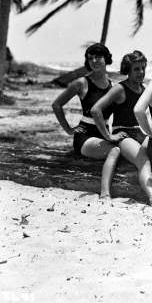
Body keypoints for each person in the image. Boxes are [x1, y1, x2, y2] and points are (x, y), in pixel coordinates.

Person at [90, 50, 152, 212]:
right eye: (136, 69)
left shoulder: (144, 88)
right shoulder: (120, 88)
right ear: (128, 70)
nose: (141, 72)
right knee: (144, 161)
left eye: (143, 68)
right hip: (123, 135)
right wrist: (108, 136)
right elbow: (96, 110)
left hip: (140, 133)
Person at [51, 43, 120, 198]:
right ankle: (105, 193)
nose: (94, 61)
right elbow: (56, 105)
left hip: (104, 133)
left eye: (98, 57)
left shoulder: (113, 86)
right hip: (85, 135)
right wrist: (69, 130)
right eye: (90, 58)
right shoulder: (82, 83)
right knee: (114, 151)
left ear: (106, 59)